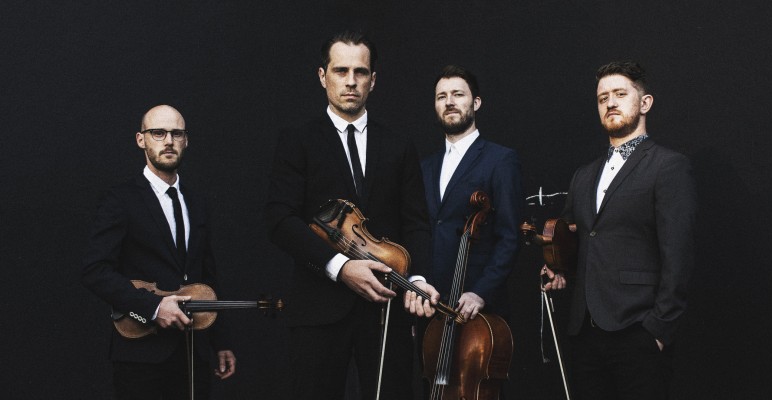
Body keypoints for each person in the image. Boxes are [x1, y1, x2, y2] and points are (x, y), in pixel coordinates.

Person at [265, 31, 439, 400]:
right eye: (340, 70)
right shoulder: (297, 140)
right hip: (318, 308)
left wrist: (418, 278)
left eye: (360, 72)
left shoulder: (398, 145)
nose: (350, 81)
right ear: (322, 76)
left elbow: (416, 222)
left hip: (386, 307)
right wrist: (341, 267)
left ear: (373, 80)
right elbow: (280, 220)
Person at [543, 61, 697, 400]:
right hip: (585, 333)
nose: (610, 103)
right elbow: (574, 240)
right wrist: (556, 266)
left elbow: (679, 255)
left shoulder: (668, 166)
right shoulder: (583, 175)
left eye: (620, 94)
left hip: (638, 331)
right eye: (603, 98)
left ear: (645, 103)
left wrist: (658, 330)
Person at [82, 105, 236, 400]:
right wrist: (153, 307)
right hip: (141, 354)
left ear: (186, 141)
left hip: (193, 350)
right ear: (141, 139)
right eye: (158, 133)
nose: (168, 141)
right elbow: (94, 270)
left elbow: (207, 275)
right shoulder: (120, 200)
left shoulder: (197, 201)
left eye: (176, 134)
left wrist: (221, 342)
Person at [420, 65, 523, 321]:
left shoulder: (500, 160)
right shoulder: (425, 167)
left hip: (476, 307)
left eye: (458, 94)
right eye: (442, 96)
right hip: (432, 305)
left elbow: (509, 236)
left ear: (476, 103)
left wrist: (481, 292)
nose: (449, 102)